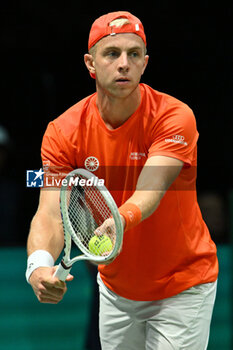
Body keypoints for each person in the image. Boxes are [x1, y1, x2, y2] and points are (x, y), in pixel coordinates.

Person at [26, 11, 218, 350]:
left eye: (134, 54)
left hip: (182, 285)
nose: (124, 63)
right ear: (90, 63)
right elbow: (51, 212)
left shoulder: (174, 116)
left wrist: (120, 219)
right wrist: (39, 264)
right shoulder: (63, 131)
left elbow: (152, 187)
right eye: (112, 53)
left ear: (145, 63)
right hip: (116, 291)